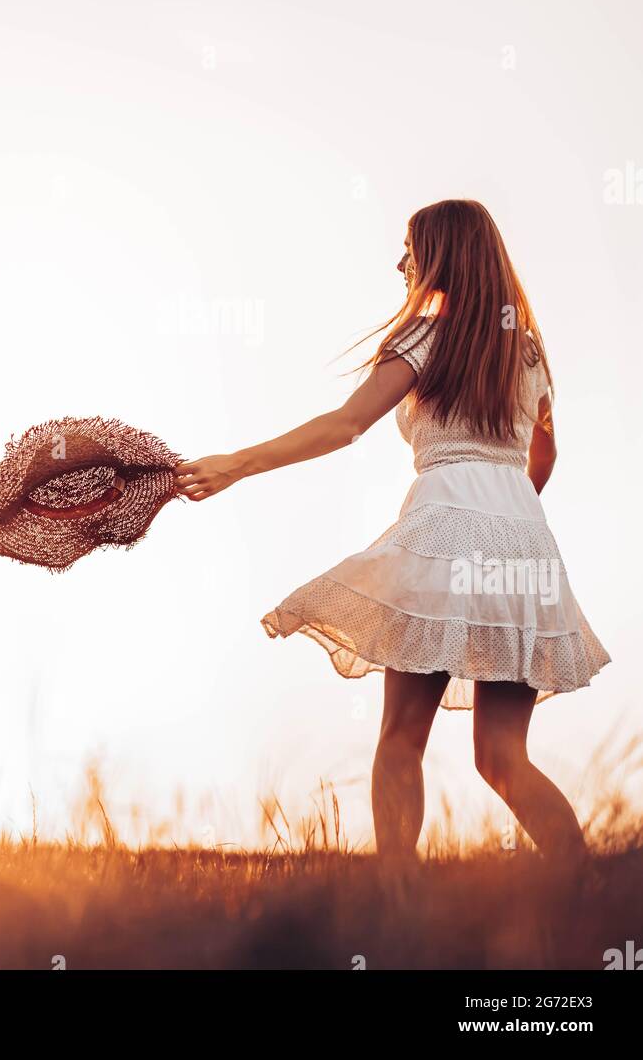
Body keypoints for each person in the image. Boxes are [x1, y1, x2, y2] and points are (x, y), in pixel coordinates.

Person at [174, 199, 611, 867]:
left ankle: (396, 910)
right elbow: (543, 456)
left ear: (441, 255)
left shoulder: (427, 337)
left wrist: (236, 464)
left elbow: (345, 426)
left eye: (411, 247)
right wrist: (508, 517)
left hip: (442, 533)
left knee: (402, 740)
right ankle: (590, 897)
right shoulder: (526, 350)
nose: (401, 262)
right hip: (527, 549)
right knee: (503, 758)